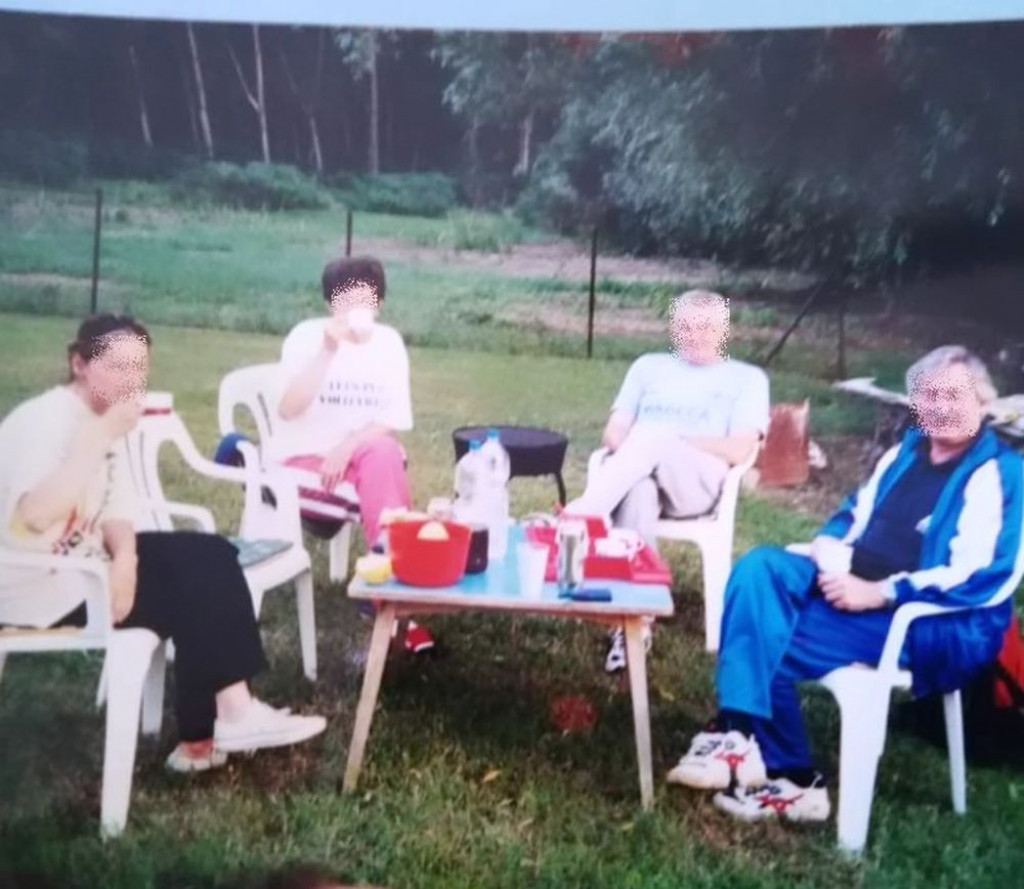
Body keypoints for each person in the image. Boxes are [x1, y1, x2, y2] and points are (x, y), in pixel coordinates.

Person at [668, 345, 1024, 823]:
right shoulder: (905, 453)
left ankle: (792, 776)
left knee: (770, 634)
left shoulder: (1002, 473)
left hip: (933, 621)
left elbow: (984, 575)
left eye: (954, 396)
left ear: (983, 402)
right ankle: (738, 737)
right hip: (854, 582)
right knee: (759, 569)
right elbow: (852, 514)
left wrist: (879, 592)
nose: (940, 407)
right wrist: (829, 548)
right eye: (930, 395)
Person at [0, 314, 327, 773]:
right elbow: (35, 515)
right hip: (37, 590)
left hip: (87, 571)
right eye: (118, 367)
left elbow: (117, 510)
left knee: (211, 555)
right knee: (195, 579)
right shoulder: (46, 420)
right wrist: (99, 436)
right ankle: (215, 728)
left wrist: (127, 558)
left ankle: (215, 730)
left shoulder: (103, 420)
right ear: (79, 364)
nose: (130, 381)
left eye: (139, 369)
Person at [566, 290, 770, 672]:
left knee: (655, 437)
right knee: (638, 490)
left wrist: (669, 443)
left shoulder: (747, 378)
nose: (695, 336)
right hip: (642, 472)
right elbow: (614, 432)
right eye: (686, 327)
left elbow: (740, 449)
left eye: (706, 327)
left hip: (698, 483)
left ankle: (581, 516)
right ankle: (634, 625)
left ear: (724, 331)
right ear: (674, 329)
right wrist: (643, 453)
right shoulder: (648, 367)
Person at [274, 256, 432, 653]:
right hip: (305, 463)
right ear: (331, 304)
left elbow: (392, 419)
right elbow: (288, 409)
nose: (358, 310)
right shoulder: (306, 337)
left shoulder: (389, 343)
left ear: (379, 304)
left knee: (383, 450)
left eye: (367, 301)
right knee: (386, 469)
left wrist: (348, 446)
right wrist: (327, 352)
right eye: (347, 301)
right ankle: (397, 590)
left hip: (361, 461)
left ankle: (386, 579)